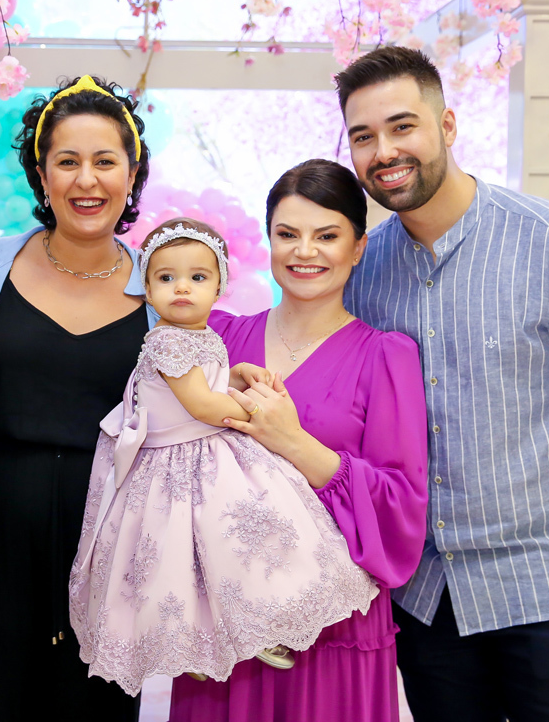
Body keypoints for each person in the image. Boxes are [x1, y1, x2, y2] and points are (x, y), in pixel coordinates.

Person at [336, 45, 549, 721]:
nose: (384, 151)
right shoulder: (363, 272)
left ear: (447, 125)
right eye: (363, 136)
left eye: (402, 126)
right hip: (426, 602)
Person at [0, 75, 151, 722]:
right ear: (41, 176)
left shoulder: (162, 293)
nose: (87, 180)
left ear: (132, 175)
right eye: (67, 161)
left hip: (105, 564)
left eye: (105, 161)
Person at [69, 217, 378, 696]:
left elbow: (205, 381)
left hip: (204, 449)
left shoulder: (200, 335)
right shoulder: (167, 340)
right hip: (179, 460)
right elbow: (201, 404)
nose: (182, 288)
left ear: (219, 287)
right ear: (147, 289)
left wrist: (233, 376)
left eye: (197, 277)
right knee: (192, 549)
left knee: (241, 538)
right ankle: (198, 640)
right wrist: (257, 410)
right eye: (166, 277)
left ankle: (254, 621)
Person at [169, 160, 429, 721]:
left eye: (327, 236)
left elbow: (400, 508)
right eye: (287, 234)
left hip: (332, 627)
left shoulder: (386, 357)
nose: (304, 251)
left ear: (358, 247)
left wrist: (292, 441)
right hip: (225, 620)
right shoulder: (218, 339)